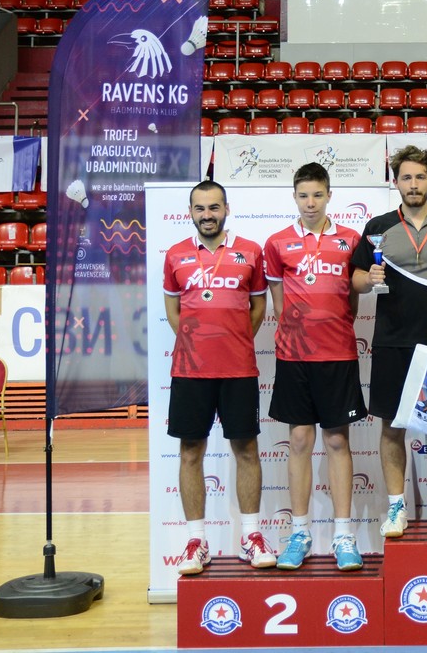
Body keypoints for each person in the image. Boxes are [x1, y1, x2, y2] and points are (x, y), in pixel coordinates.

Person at [352, 145, 427, 538]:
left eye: (420, 176)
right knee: (392, 426)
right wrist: (369, 279)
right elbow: (355, 278)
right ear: (396, 183)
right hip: (391, 340)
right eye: (406, 177)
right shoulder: (378, 227)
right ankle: (396, 507)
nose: (414, 184)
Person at [163, 180, 275, 574]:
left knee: (246, 450)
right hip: (190, 371)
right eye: (200, 208)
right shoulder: (175, 255)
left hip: (238, 369)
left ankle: (251, 537)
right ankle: (196, 541)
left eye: (214, 207)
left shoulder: (251, 251)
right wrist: (196, 345)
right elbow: (174, 312)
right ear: (190, 213)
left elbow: (258, 308)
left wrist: (235, 340)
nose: (207, 215)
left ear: (226, 209)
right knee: (190, 452)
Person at [264, 162, 368, 572]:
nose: (311, 203)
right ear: (294, 197)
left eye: (317, 195)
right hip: (294, 357)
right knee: (299, 440)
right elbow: (278, 304)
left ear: (329, 196)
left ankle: (344, 535)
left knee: (338, 441)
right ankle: (300, 533)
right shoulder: (277, 243)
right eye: (304, 195)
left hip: (338, 355)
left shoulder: (350, 240)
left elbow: (352, 300)